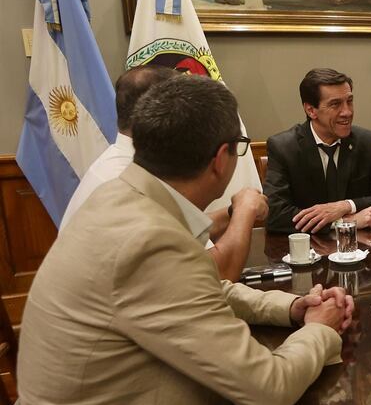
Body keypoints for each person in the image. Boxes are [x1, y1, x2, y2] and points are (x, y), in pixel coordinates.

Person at [12, 74, 355, 405]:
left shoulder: (121, 196)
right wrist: (322, 328)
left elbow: (200, 290)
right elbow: (268, 388)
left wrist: (291, 309)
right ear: (221, 159)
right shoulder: (148, 237)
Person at [61, 66, 260, 282]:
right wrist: (245, 211)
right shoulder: (129, 180)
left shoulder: (117, 165)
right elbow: (214, 275)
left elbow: (179, 230)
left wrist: (232, 211)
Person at [263, 68, 371, 233]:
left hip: (360, 251)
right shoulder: (284, 147)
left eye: (349, 101)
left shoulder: (366, 142)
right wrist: (345, 222)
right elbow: (275, 215)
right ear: (311, 110)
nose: (347, 112)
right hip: (308, 252)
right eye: (335, 104)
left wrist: (345, 206)